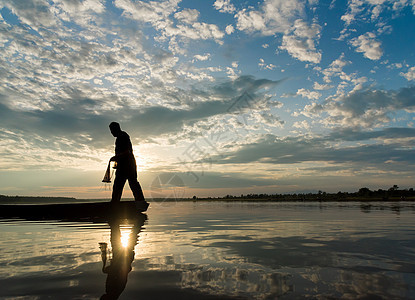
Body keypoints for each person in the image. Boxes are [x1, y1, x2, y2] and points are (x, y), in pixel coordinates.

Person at [108, 122, 148, 208]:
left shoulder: (123, 136)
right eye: (110, 131)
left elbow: (127, 151)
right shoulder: (120, 137)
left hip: (127, 166)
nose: (111, 133)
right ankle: (139, 201)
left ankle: (139, 201)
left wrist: (116, 157)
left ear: (116, 129)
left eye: (112, 130)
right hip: (125, 165)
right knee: (126, 184)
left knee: (125, 184)